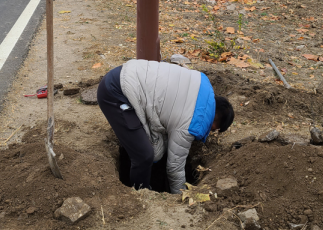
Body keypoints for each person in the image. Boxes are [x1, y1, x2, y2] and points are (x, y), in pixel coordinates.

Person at [97, 59, 234, 193]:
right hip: (116, 92)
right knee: (144, 155)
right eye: (214, 129)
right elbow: (175, 168)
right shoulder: (191, 123)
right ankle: (141, 194)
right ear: (215, 121)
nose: (210, 132)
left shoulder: (202, 86)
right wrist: (180, 195)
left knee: (155, 150)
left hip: (127, 74)